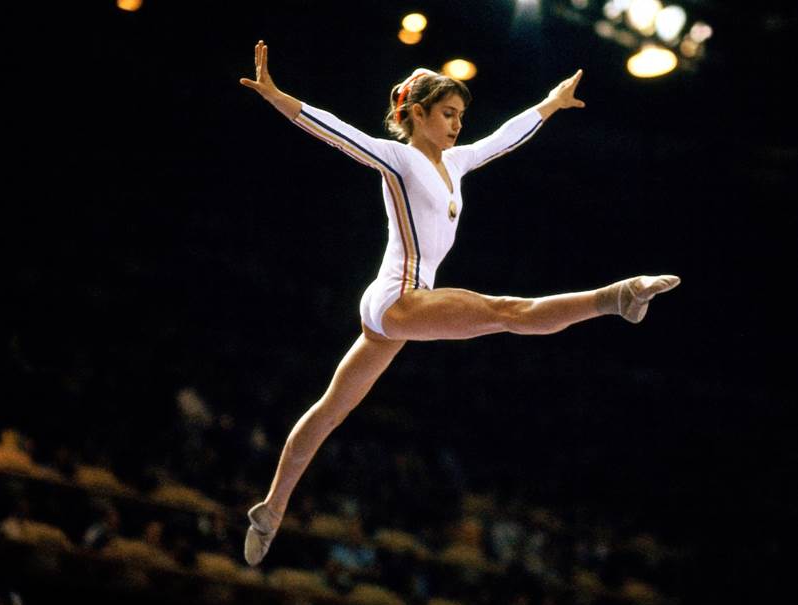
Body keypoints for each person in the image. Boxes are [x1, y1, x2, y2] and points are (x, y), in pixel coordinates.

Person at [238, 40, 679, 566]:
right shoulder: (398, 158)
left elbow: (503, 138)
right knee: (506, 312)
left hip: (397, 308)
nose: (457, 124)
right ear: (417, 113)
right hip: (399, 297)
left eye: (460, 115)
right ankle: (616, 297)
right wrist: (277, 96)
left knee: (332, 410)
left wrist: (550, 103)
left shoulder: (456, 162)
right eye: (447, 113)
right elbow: (336, 131)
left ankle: (271, 508)